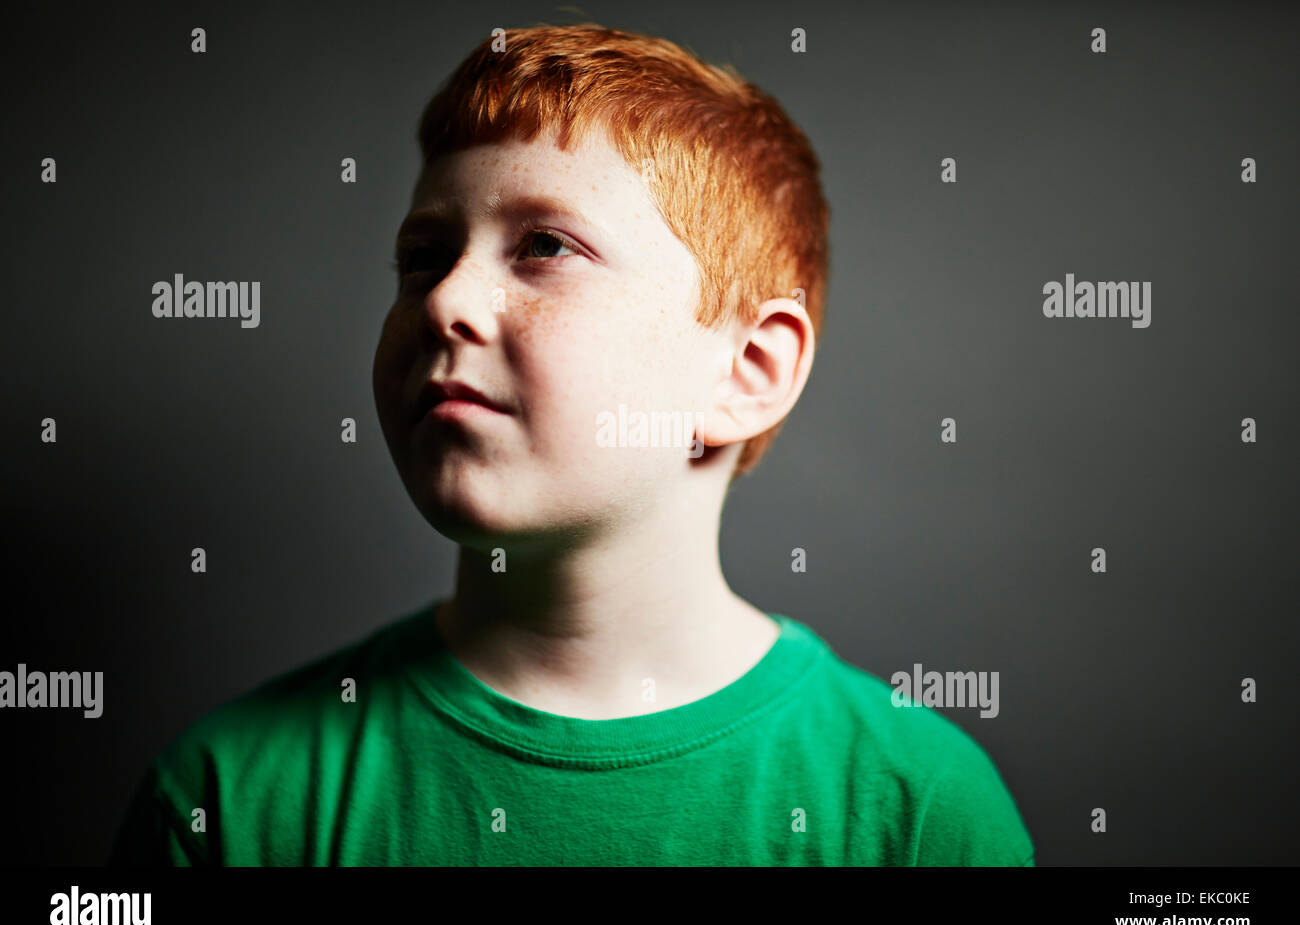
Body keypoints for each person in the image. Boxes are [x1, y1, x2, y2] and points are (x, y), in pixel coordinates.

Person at [109, 22, 1034, 866]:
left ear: (747, 370)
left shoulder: (918, 814)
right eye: (424, 257)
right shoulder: (226, 803)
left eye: (545, 245)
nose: (444, 301)